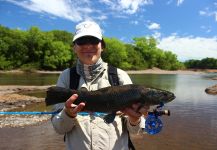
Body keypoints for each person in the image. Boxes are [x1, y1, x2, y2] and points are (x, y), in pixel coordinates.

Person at [51, 21, 149, 150]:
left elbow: (135, 131)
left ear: (102, 46)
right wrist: (68, 114)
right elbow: (59, 128)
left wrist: (135, 119)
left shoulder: (119, 76)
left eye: (93, 41)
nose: (88, 46)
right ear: (74, 47)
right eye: (82, 41)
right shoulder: (66, 76)